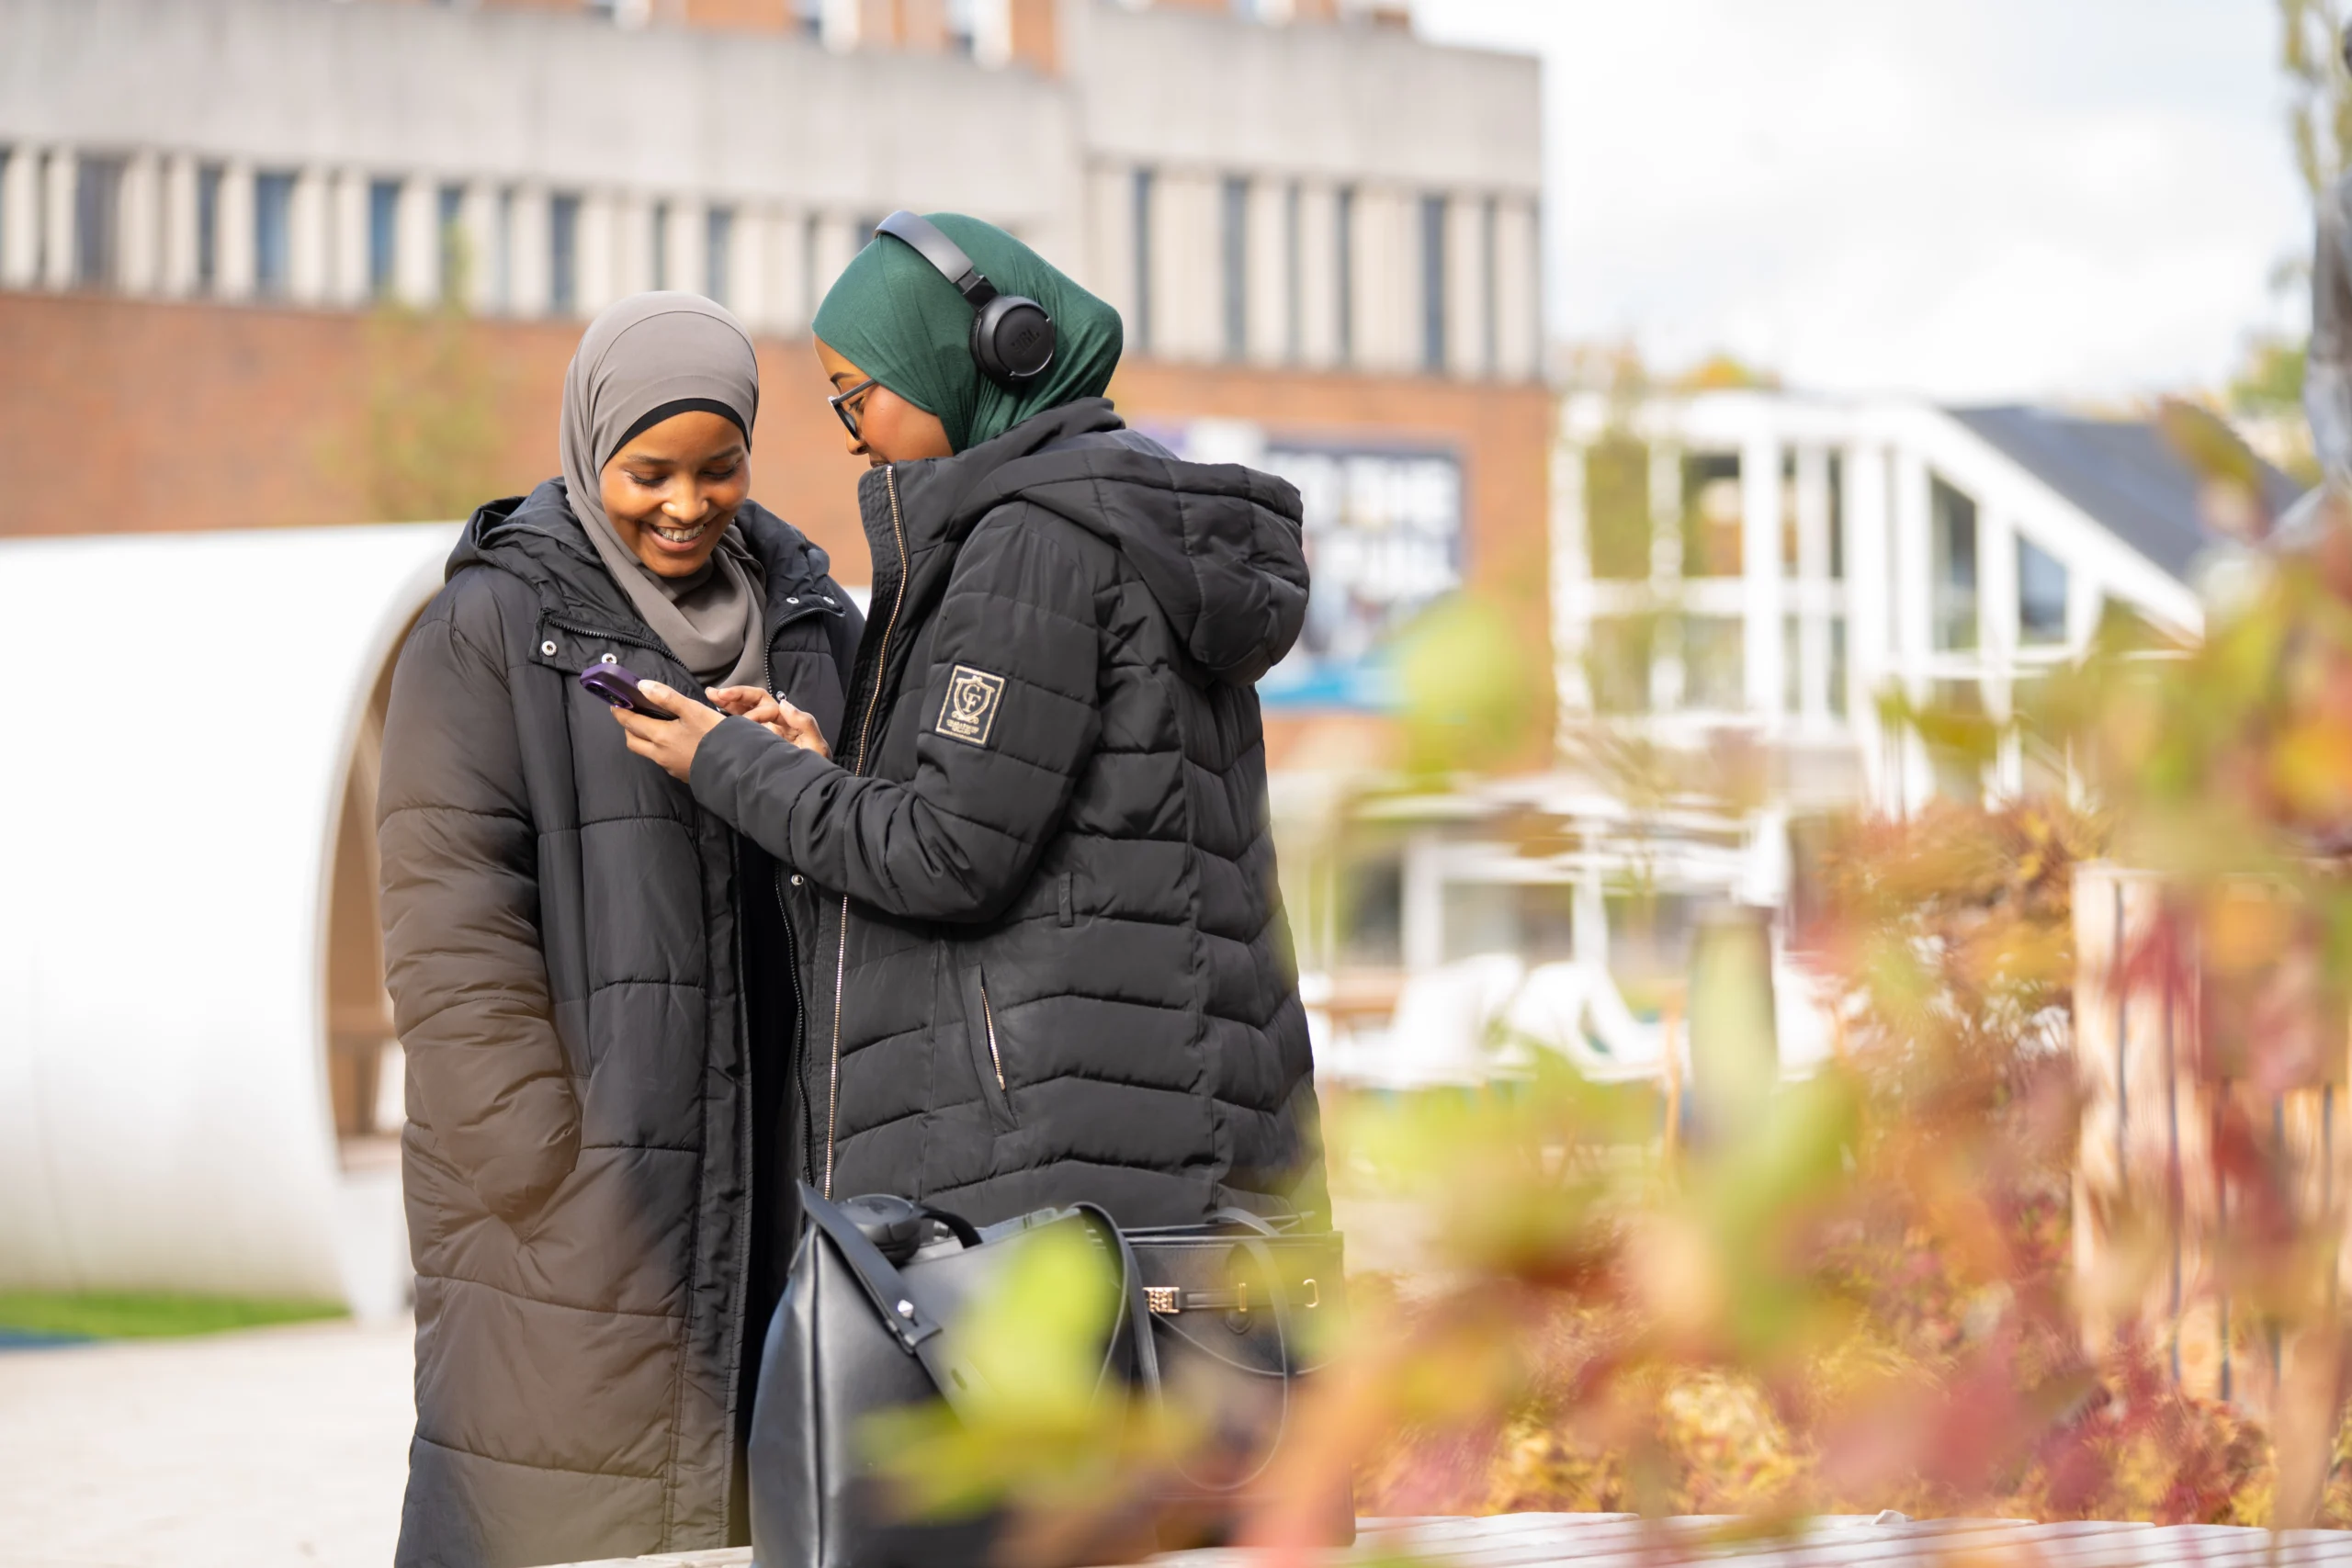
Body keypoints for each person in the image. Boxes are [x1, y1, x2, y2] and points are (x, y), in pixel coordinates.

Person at [613, 214, 1328, 1229]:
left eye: (859, 394)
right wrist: (827, 767)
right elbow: (1018, 814)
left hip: (1063, 1184)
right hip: (1161, 1163)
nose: (851, 430)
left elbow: (948, 855)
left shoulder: (1033, 545)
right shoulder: (1108, 531)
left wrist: (727, 762)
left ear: (980, 358)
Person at [376, 293, 861, 1568]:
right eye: (650, 471)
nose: (686, 504)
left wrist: (816, 770)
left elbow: (884, 857)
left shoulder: (817, 629)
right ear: (591, 452)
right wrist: (543, 1164)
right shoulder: (487, 631)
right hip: (579, 1219)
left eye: (720, 467)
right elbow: (447, 921)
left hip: (782, 1195)